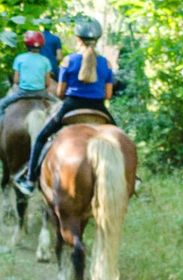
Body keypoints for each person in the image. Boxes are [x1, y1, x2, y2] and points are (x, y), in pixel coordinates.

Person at [14, 18, 115, 196]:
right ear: (97, 40)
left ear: (78, 39)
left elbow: (60, 93)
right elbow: (108, 95)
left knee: (41, 138)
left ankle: (29, 180)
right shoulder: (106, 63)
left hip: (71, 106)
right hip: (99, 108)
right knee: (120, 139)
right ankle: (133, 177)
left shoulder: (68, 61)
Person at [0, 31, 55, 117]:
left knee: (1, 104)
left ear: (26, 45)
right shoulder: (45, 60)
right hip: (41, 93)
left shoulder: (20, 58)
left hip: (22, 92)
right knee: (60, 104)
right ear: (41, 45)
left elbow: (16, 80)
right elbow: (47, 83)